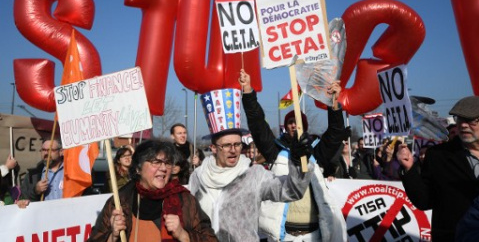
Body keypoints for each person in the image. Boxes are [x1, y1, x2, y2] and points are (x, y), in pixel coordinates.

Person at [189, 87, 314, 241]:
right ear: (213, 148)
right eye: (227, 145)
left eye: (237, 144)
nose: (233, 150)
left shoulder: (254, 175)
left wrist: (298, 161)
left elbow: (292, 190)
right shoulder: (198, 177)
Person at [239, 69, 347, 242]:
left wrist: (334, 104)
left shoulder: (315, 153)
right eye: (290, 122)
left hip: (314, 235)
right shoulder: (274, 151)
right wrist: (248, 92)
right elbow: (258, 125)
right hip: (284, 235)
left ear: (304, 127)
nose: (294, 126)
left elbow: (335, 134)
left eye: (297, 122)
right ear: (285, 127)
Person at [88, 140, 217, 242]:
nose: (163, 168)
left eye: (167, 163)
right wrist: (113, 236)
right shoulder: (119, 202)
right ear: (138, 168)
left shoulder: (185, 201)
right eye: (156, 162)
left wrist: (184, 236)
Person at [397, 96, 479, 241]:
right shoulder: (438, 155)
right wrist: (409, 169)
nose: (463, 125)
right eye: (460, 119)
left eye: (471, 120)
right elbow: (424, 200)